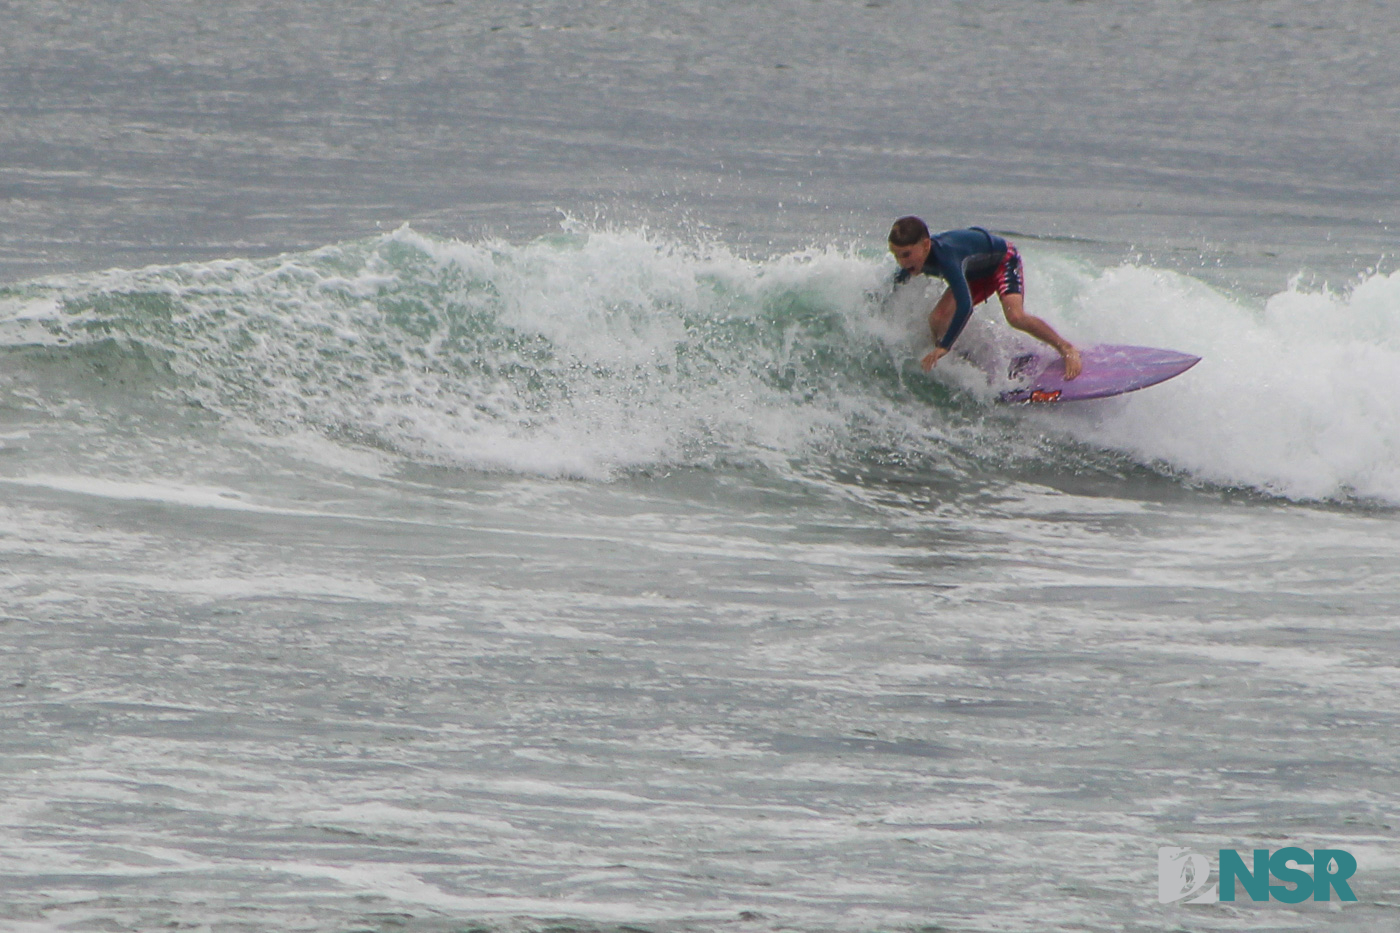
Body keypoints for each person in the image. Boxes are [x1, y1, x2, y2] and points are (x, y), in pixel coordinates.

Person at [888, 216, 1081, 379]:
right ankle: (962, 362)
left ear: (925, 245)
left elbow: (965, 306)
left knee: (1015, 316)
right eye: (896, 256)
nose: (902, 262)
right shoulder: (912, 263)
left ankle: (1066, 348)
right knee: (938, 318)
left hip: (1002, 261)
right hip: (974, 274)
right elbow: (895, 285)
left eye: (906, 255)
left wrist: (944, 346)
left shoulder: (946, 258)